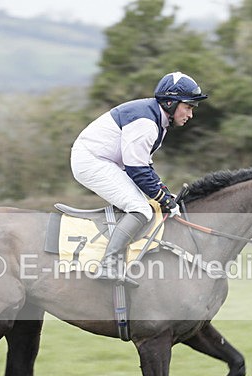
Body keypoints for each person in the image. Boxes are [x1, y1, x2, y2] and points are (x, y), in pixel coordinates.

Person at [70, 71, 208, 282]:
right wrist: (165, 200)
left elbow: (145, 167)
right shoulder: (146, 122)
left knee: (147, 204)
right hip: (92, 161)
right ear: (170, 103)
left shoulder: (157, 121)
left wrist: (163, 193)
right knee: (141, 209)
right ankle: (108, 264)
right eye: (188, 107)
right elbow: (137, 170)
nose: (190, 114)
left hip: (105, 161)